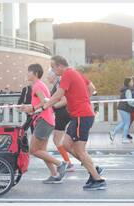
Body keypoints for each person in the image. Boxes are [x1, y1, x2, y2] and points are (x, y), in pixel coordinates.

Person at [42, 55, 106, 190]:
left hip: (81, 116)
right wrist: (84, 100)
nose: (53, 71)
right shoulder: (76, 73)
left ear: (60, 66)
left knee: (79, 150)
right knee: (65, 144)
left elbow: (58, 95)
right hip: (79, 116)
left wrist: (44, 106)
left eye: (53, 67)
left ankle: (98, 180)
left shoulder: (67, 75)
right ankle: (93, 169)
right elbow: (92, 88)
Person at [21, 63, 67, 184]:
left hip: (44, 120)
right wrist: (29, 107)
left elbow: (44, 103)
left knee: (34, 150)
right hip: (47, 120)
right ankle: (55, 175)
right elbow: (43, 103)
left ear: (35, 74)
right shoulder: (40, 85)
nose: (27, 74)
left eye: (29, 72)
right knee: (42, 151)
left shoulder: (37, 86)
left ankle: (60, 164)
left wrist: (32, 108)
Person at [46, 69, 75, 172]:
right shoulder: (57, 85)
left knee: (57, 140)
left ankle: (69, 164)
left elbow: (64, 101)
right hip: (62, 114)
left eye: (48, 75)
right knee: (58, 140)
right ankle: (70, 162)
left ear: (54, 76)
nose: (47, 77)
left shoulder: (58, 85)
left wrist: (51, 106)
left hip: (62, 114)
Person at [110, 77, 134, 144]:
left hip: (122, 108)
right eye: (131, 82)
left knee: (124, 123)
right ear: (128, 83)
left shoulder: (125, 89)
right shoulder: (128, 90)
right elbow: (130, 101)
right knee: (127, 123)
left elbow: (129, 100)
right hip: (125, 108)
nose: (132, 83)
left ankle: (113, 132)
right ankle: (124, 138)